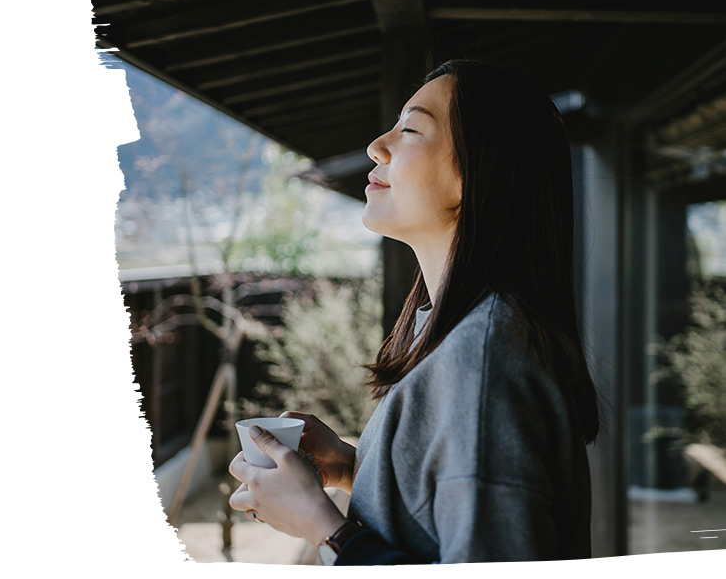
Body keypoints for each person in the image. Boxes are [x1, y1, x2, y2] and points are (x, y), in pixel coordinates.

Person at [228, 58, 600, 565]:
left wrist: (324, 526)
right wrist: (353, 467)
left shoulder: (482, 360)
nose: (376, 145)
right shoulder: (459, 332)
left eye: (410, 129)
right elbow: (444, 516)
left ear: (478, 170)